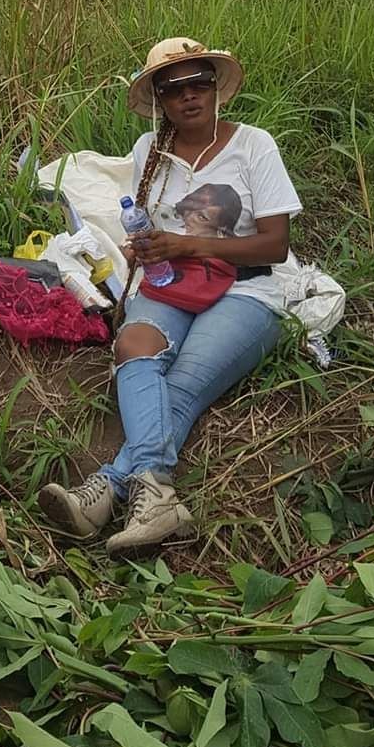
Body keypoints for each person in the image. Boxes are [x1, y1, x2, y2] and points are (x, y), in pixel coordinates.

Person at [40, 38, 302, 557]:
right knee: (133, 346)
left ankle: (114, 487)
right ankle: (151, 495)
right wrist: (148, 249)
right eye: (173, 88)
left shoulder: (253, 145)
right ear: (159, 100)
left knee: (179, 385)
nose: (189, 96)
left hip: (248, 285)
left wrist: (188, 243)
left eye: (199, 81)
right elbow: (149, 227)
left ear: (215, 87)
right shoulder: (147, 152)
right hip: (172, 283)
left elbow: (275, 243)